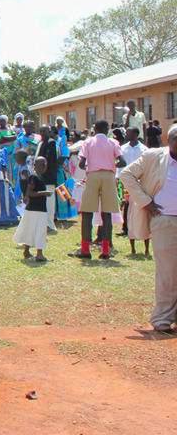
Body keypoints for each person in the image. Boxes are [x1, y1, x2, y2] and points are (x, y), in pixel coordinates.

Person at [119, 124, 177, 332]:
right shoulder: (154, 156)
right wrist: (145, 202)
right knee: (168, 271)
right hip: (164, 220)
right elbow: (126, 175)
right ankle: (162, 319)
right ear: (169, 141)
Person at [72, 121, 126, 260]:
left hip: (93, 175)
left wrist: (91, 166)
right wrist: (111, 164)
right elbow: (123, 162)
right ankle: (106, 250)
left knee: (87, 213)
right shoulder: (113, 142)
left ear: (94, 129)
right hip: (108, 176)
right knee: (106, 214)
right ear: (107, 129)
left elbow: (81, 163)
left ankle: (85, 250)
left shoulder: (88, 142)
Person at [14, 157, 52, 262]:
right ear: (36, 165)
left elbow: (27, 193)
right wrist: (44, 193)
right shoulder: (34, 177)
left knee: (30, 230)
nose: (45, 166)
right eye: (43, 164)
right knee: (40, 231)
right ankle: (39, 254)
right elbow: (30, 193)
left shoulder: (38, 177)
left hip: (34, 209)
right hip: (37, 209)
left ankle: (26, 251)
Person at [120, 127, 150, 255]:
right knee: (128, 210)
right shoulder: (123, 148)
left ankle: (146, 243)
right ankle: (127, 230)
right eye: (127, 133)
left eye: (130, 133)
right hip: (126, 182)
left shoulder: (144, 149)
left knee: (143, 212)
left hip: (140, 184)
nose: (127, 134)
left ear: (136, 134)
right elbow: (119, 165)